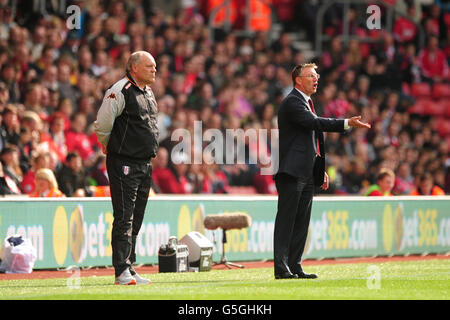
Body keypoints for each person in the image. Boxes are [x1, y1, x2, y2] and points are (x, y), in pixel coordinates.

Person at [273, 63, 371, 279]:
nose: (316, 79)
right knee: (287, 221)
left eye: (316, 76)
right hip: (291, 171)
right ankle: (281, 268)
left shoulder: (307, 102)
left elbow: (310, 140)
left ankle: (295, 265)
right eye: (311, 76)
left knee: (302, 221)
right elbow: (315, 124)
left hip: (306, 171)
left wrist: (318, 168)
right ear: (298, 80)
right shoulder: (292, 102)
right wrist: (346, 123)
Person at [95, 51, 159, 285]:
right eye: (150, 66)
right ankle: (121, 270)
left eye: (155, 66)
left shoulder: (148, 92)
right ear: (133, 68)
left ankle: (129, 267)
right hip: (124, 162)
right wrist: (107, 144)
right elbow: (103, 122)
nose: (155, 70)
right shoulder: (119, 90)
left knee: (137, 216)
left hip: (144, 163)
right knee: (124, 216)